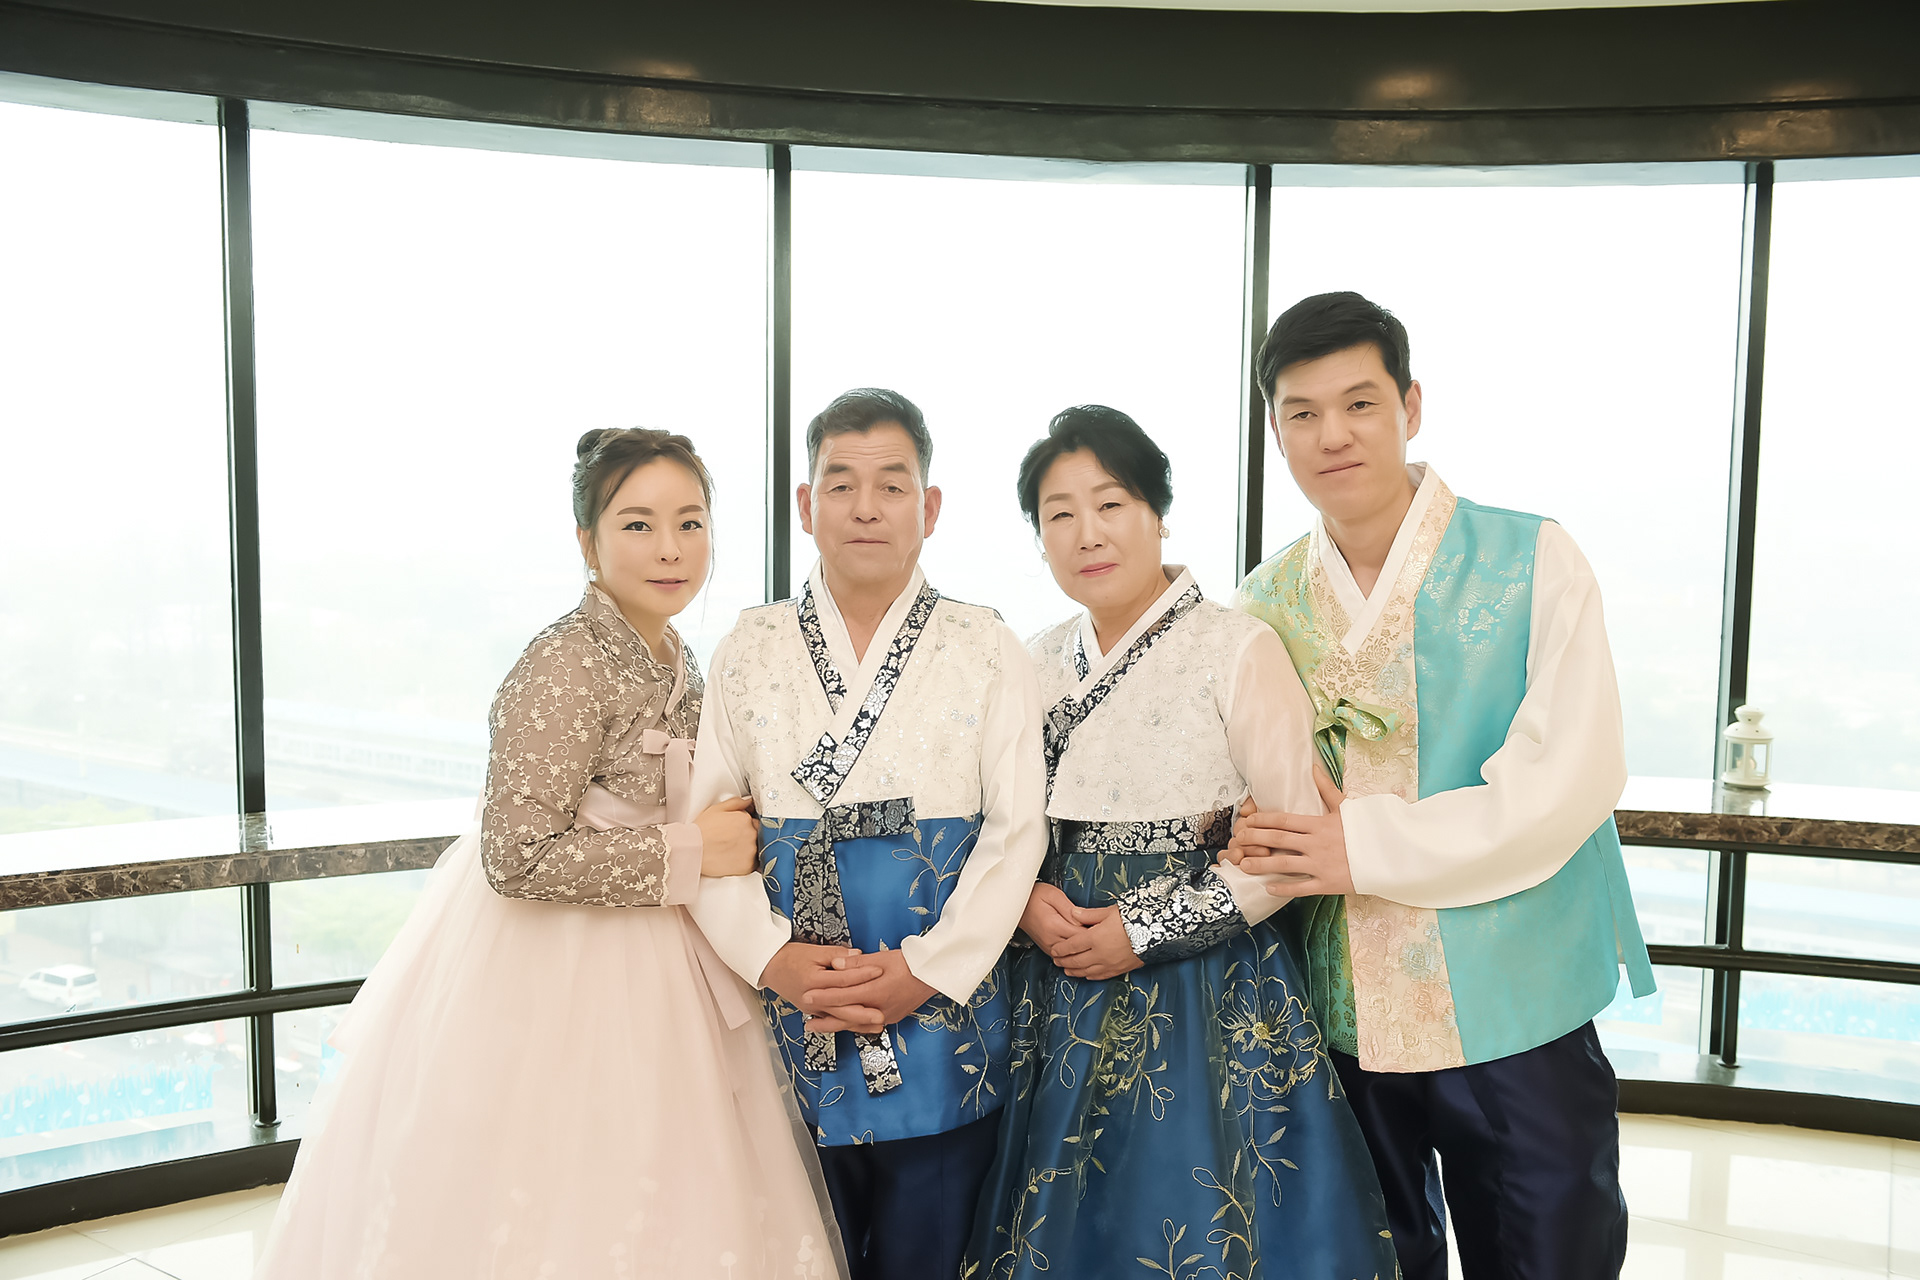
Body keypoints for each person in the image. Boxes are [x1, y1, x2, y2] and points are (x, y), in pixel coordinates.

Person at [255, 428, 846, 1280]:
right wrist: (692, 848)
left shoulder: (678, 657)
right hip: (554, 965)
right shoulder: (562, 663)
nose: (671, 548)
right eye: (638, 524)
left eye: (690, 522)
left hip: (664, 948)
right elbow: (515, 855)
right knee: (561, 1180)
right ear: (587, 542)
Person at [1231, 291, 1655, 1280]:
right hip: (1337, 1008)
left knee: (1547, 1250)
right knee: (1365, 1257)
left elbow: (1569, 776)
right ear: (1276, 432)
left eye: (1360, 403)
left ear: (1411, 406)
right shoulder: (1262, 602)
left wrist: (1360, 843)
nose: (1332, 435)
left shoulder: (1533, 557)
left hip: (1515, 995)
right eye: (1302, 413)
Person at [963, 406, 1399, 1280]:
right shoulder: (1029, 660)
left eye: (1111, 504)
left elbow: (1290, 847)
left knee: (1195, 1210)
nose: (1087, 534)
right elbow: (998, 823)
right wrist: (1024, 902)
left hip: (1205, 990)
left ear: (1158, 512)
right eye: (1059, 514)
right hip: (1058, 974)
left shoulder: (1237, 648)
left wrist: (1143, 932)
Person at [687, 389, 1049, 1280]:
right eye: (840, 484)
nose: (865, 507)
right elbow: (710, 835)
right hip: (789, 1009)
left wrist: (925, 969)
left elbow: (1017, 834)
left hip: (943, 1015)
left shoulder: (986, 644)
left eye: (892, 485)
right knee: (795, 1254)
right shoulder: (748, 647)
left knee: (934, 1254)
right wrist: (772, 958)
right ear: (805, 505)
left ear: (930, 507)